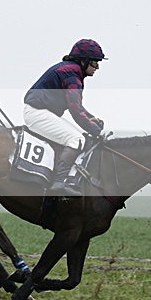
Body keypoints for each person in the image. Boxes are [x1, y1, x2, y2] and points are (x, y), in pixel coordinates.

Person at [23, 39, 107, 196]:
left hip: (41, 111)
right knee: (77, 140)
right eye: (95, 63)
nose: (97, 68)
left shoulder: (72, 71)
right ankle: (59, 183)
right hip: (38, 113)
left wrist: (91, 118)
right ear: (84, 61)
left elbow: (76, 106)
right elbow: (75, 109)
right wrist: (95, 130)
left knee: (78, 137)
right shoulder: (72, 75)